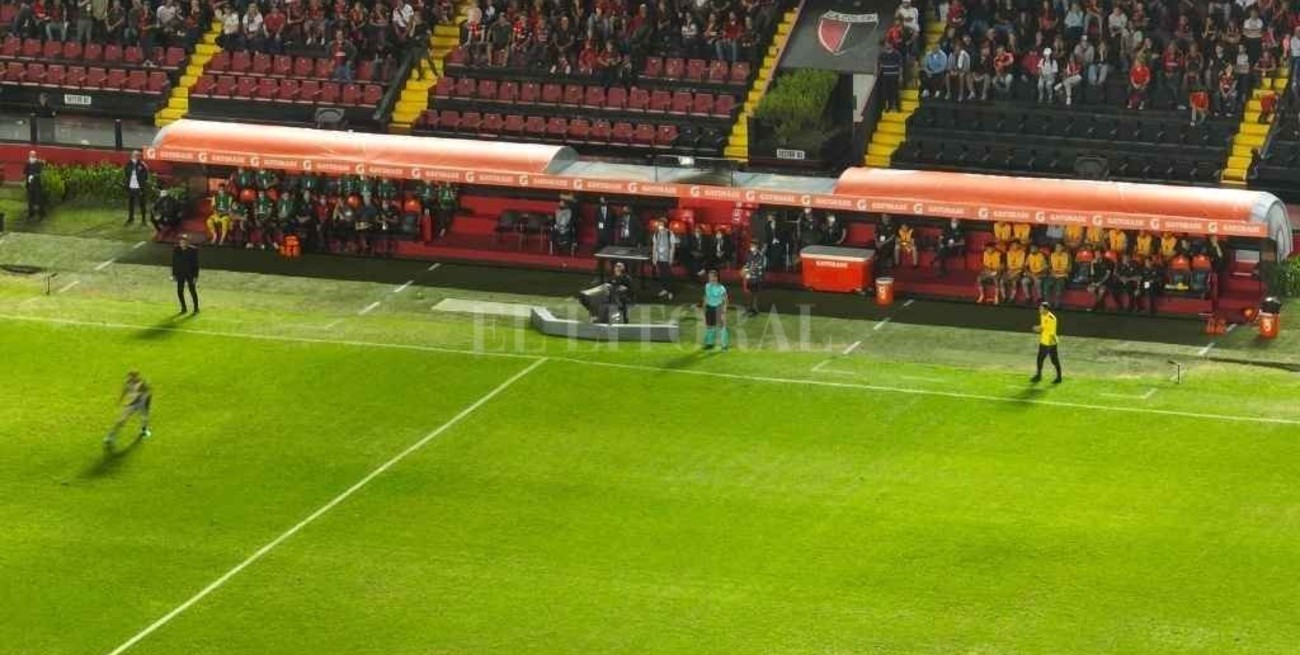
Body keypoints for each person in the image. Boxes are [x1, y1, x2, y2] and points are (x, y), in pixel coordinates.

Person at [104, 371, 153, 449]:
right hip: (133, 404)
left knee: (144, 418)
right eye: (129, 377)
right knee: (121, 420)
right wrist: (120, 400)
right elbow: (125, 391)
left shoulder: (142, 383)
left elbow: (148, 393)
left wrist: (146, 403)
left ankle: (144, 430)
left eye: (132, 377)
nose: (130, 378)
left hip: (142, 403)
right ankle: (110, 436)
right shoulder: (128, 383)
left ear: (136, 377)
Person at [1030, 302, 1062, 384]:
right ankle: (1039, 375)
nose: (1039, 310)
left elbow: (1051, 333)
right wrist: (1039, 328)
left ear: (1046, 309)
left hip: (1050, 342)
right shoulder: (1042, 315)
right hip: (1043, 341)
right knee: (1039, 359)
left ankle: (1059, 377)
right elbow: (1043, 327)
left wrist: (1050, 346)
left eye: (1041, 309)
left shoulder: (1052, 319)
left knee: (1054, 360)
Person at [701, 269, 729, 351]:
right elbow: (706, 297)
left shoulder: (721, 288)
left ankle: (724, 345)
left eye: (711, 277)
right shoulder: (707, 286)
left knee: (722, 326)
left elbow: (726, 300)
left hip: (718, 307)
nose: (710, 279)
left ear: (716, 278)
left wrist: (724, 310)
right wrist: (704, 306)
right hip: (709, 308)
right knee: (709, 326)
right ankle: (710, 344)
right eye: (709, 277)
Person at [171, 233, 200, 314]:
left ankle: (196, 308)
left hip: (190, 274)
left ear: (188, 242)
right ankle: (183, 308)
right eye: (181, 241)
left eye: (184, 241)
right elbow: (174, 262)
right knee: (180, 291)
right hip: (180, 273)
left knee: (192, 290)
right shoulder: (176, 249)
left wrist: (195, 276)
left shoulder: (193, 250)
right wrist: (173, 274)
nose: (182, 243)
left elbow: (196, 264)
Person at [650, 219, 677, 301]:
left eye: (661, 224)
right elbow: (654, 246)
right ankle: (664, 289)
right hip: (659, 258)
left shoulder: (670, 233)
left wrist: (671, 258)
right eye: (659, 224)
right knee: (662, 274)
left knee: (668, 275)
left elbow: (673, 247)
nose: (660, 226)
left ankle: (670, 291)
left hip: (667, 258)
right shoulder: (656, 233)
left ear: (665, 225)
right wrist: (654, 257)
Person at [123, 150, 149, 226]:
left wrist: (142, 184)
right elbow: (126, 174)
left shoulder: (142, 164)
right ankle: (131, 218)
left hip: (139, 187)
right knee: (131, 203)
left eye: (138, 155)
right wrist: (127, 184)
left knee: (142, 203)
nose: (137, 156)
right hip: (131, 187)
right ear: (132, 156)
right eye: (135, 155)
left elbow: (145, 175)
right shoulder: (128, 164)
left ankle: (143, 220)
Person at [742, 240, 766, 316]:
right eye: (751, 246)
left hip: (757, 277)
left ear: (756, 246)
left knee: (756, 293)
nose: (751, 247)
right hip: (750, 277)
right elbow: (747, 264)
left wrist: (748, 271)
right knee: (749, 293)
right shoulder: (749, 255)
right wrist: (744, 269)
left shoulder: (760, 256)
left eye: (753, 246)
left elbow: (756, 266)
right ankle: (749, 308)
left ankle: (755, 309)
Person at [23, 150, 45, 221]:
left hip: (35, 184)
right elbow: (25, 172)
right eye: (31, 155)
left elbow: (39, 172)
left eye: (32, 155)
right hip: (32, 184)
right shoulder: (29, 162)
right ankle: (32, 214)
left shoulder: (36, 163)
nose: (31, 156)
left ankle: (39, 214)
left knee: (36, 199)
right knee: (32, 199)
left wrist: (33, 175)